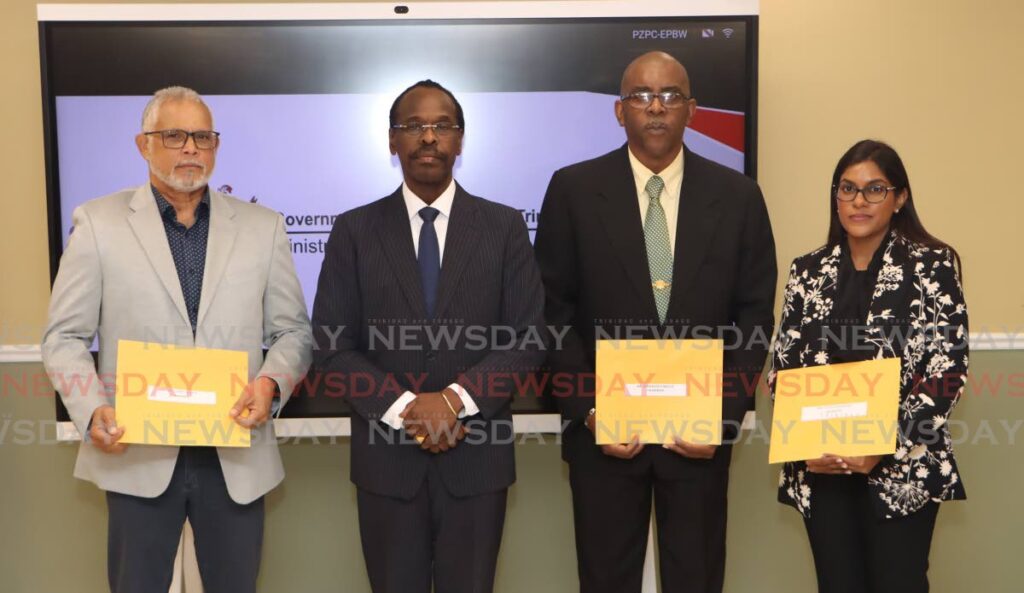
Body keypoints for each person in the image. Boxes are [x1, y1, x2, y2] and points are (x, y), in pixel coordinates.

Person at [41, 86, 313, 593]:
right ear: (144, 145)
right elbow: (63, 336)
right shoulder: (98, 224)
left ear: (215, 147)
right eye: (174, 136)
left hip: (235, 456)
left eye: (203, 137)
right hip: (137, 453)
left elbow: (293, 331)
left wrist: (272, 384)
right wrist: (90, 406)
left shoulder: (263, 226)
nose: (191, 148)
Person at [534, 51, 777, 593]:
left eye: (670, 96)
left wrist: (723, 413)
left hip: (697, 435)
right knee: (605, 579)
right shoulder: (573, 190)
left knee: (697, 578)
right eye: (641, 96)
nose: (656, 108)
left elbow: (755, 315)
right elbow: (553, 314)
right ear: (620, 112)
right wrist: (589, 409)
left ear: (691, 109)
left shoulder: (738, 196)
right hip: (605, 435)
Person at [310, 79, 545, 593]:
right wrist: (408, 410)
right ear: (391, 142)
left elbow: (528, 338)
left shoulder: (504, 228)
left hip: (478, 463)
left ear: (461, 141)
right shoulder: (354, 231)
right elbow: (331, 345)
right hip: (386, 463)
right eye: (413, 126)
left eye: (442, 126)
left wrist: (456, 402)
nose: (428, 137)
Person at [767, 139, 968, 593]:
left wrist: (882, 443)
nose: (859, 201)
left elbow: (947, 370)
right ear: (835, 196)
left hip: (901, 466)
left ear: (899, 198)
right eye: (847, 188)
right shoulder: (807, 271)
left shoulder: (933, 266)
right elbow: (784, 367)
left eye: (875, 189)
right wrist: (806, 443)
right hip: (820, 467)